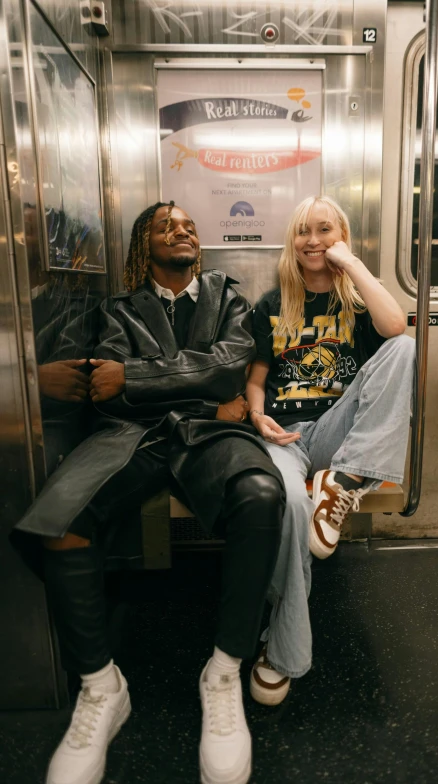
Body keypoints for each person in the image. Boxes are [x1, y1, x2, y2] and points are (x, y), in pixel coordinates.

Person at [13, 201, 285, 784]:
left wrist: (140, 377)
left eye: (188, 224)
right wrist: (194, 388)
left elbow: (229, 362)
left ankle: (223, 672)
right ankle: (100, 686)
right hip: (130, 436)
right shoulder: (119, 308)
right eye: (166, 225)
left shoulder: (227, 297)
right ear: (145, 244)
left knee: (262, 495)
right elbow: (104, 392)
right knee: (60, 517)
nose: (180, 229)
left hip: (211, 433)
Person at [246, 195, 415, 705]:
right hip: (287, 435)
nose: (313, 240)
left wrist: (351, 263)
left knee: (406, 347)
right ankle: (284, 648)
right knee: (294, 507)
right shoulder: (272, 305)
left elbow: (396, 329)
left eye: (325, 230)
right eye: (303, 231)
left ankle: (343, 481)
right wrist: (258, 415)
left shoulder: (357, 301)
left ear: (340, 236)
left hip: (341, 434)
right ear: (292, 242)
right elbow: (256, 379)